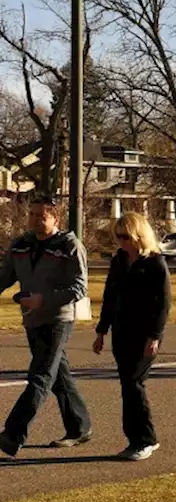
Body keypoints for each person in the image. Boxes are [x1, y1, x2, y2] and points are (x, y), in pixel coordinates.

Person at [0, 194, 92, 458]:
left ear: (56, 218)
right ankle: (79, 427)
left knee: (40, 377)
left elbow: (79, 286)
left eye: (42, 216)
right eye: (32, 214)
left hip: (58, 320)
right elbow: (4, 276)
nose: (36, 220)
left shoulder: (69, 245)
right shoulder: (21, 245)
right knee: (58, 377)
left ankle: (12, 434)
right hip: (31, 319)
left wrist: (45, 300)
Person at [92, 213, 171, 461]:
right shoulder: (119, 261)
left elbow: (163, 304)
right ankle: (140, 438)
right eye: (118, 237)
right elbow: (109, 297)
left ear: (139, 235)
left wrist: (154, 336)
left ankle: (143, 440)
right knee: (128, 384)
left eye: (126, 236)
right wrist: (101, 330)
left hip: (145, 334)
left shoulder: (155, 263)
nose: (121, 242)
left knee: (133, 385)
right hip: (121, 331)